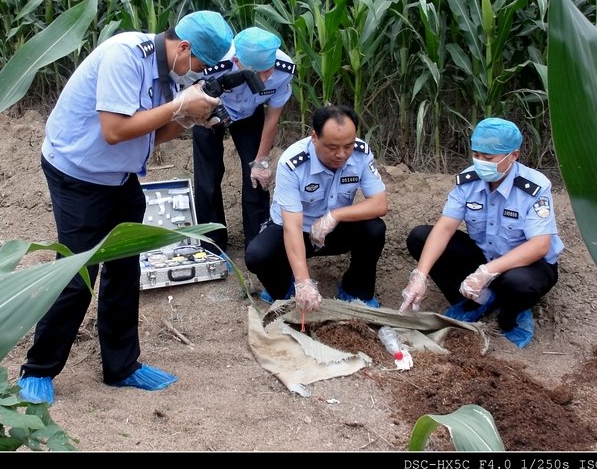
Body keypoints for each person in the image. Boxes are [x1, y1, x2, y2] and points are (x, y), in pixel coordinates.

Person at [18, 10, 234, 404]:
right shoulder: (125, 55)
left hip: (119, 176)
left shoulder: (170, 73)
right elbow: (115, 130)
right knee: (78, 270)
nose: (196, 72)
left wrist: (190, 118)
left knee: (124, 267)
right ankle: (38, 369)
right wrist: (178, 107)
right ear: (183, 47)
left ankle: (122, 366)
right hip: (78, 173)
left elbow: (156, 131)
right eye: (199, 63)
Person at [399, 117, 563, 348]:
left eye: (488, 158)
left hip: (526, 264)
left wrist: (487, 272)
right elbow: (445, 228)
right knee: (420, 237)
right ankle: (475, 302)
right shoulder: (468, 181)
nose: (480, 162)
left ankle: (511, 314)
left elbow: (539, 246)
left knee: (519, 282)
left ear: (513, 156)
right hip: (485, 256)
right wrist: (420, 275)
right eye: (476, 155)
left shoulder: (534, 187)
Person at [244, 104, 388, 310]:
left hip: (332, 229)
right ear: (314, 138)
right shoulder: (292, 163)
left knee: (374, 229)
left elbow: (379, 203)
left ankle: (355, 289)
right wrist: (303, 283)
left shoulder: (361, 154)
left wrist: (335, 215)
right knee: (258, 255)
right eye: (332, 147)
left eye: (347, 146)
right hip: (296, 231)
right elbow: (291, 227)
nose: (341, 154)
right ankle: (284, 289)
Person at [192, 27, 295, 255]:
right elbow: (192, 93)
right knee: (208, 176)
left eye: (268, 71)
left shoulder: (283, 68)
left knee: (256, 177)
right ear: (238, 61)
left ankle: (257, 244)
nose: (266, 78)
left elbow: (273, 117)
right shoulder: (216, 61)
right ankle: (212, 244)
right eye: (257, 74)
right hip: (209, 111)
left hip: (250, 116)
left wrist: (262, 161)